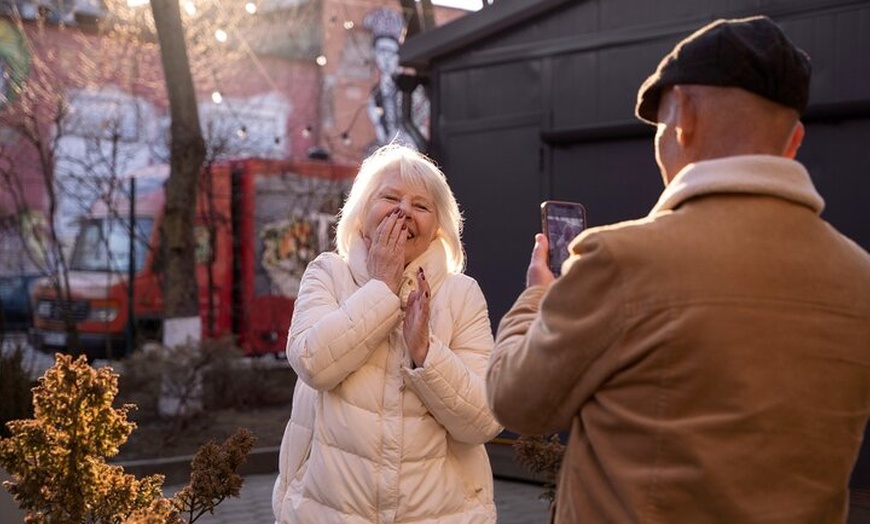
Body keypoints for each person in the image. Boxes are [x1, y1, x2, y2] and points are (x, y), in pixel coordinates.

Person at [487, 15, 870, 523]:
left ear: (683, 118)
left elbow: (517, 402)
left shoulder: (624, 260)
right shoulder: (858, 276)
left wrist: (536, 299)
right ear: (794, 140)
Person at [272, 143, 502, 523]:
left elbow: (483, 420)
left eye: (421, 206)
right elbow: (313, 364)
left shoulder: (462, 295)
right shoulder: (328, 273)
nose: (404, 212)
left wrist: (425, 353)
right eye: (390, 197)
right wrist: (380, 288)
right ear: (362, 212)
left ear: (438, 229)